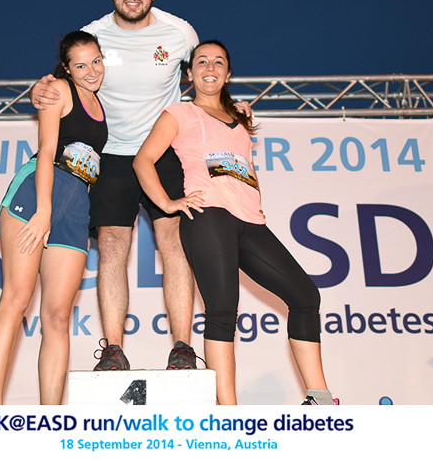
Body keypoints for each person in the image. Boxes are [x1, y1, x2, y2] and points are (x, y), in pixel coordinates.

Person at [31, 0, 219, 371]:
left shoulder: (180, 33)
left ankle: (182, 348)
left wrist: (229, 108)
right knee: (113, 247)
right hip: (111, 155)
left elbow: (207, 76)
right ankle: (113, 351)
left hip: (163, 153)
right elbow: (61, 83)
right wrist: (37, 91)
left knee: (175, 244)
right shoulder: (92, 34)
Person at [133, 40, 338, 405]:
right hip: (208, 215)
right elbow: (142, 160)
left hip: (250, 220)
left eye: (218, 62)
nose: (209, 68)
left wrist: (239, 115)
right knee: (223, 310)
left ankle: (320, 399)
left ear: (228, 74)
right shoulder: (180, 113)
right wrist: (167, 203)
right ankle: (228, 411)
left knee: (306, 296)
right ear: (189, 73)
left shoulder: (240, 118)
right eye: (201, 62)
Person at [0, 31, 107, 404]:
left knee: (57, 317)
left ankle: (51, 417)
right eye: (81, 65)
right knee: (17, 297)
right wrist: (43, 212)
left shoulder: (101, 101)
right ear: (66, 68)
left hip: (75, 206)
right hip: (38, 196)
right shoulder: (58, 91)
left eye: (96, 61)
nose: (91, 71)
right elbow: (48, 150)